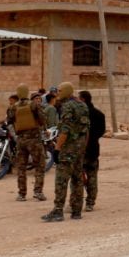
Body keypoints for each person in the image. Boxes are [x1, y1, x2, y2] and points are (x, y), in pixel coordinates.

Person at [42, 83, 89, 222]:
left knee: (61, 180)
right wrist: (82, 147)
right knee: (77, 179)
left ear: (67, 92)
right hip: (79, 148)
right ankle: (76, 211)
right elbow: (86, 129)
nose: (58, 93)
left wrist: (57, 149)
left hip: (68, 148)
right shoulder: (83, 105)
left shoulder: (67, 106)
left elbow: (65, 130)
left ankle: (58, 211)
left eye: (60, 91)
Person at [9, 86, 47, 202]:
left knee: (21, 167)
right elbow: (42, 119)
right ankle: (38, 192)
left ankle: (21, 194)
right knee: (40, 165)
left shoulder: (13, 107)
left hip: (20, 140)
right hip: (34, 139)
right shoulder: (33, 105)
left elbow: (10, 121)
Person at [79, 90, 107, 211]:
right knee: (92, 177)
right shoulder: (99, 114)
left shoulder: (80, 114)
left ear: (83, 99)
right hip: (93, 149)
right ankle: (90, 202)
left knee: (77, 177)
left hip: (80, 149)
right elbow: (101, 131)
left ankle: (75, 202)